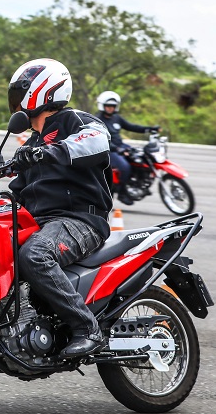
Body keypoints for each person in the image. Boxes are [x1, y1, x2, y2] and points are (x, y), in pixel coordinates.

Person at [8, 58, 114, 358]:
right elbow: (19, 193)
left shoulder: (75, 121)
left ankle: (87, 329)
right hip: (43, 224)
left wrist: (50, 151)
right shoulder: (31, 145)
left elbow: (96, 143)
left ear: (42, 92)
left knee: (35, 254)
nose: (15, 103)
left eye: (20, 95)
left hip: (79, 219)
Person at [95, 90, 161, 206]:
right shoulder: (97, 120)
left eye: (113, 106)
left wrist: (150, 129)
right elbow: (100, 140)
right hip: (108, 150)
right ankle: (122, 193)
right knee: (125, 167)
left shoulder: (116, 118)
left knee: (140, 158)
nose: (110, 108)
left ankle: (139, 183)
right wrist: (117, 149)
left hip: (121, 146)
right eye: (108, 106)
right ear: (102, 106)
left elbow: (132, 127)